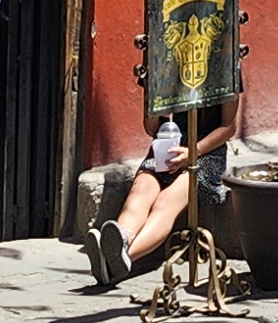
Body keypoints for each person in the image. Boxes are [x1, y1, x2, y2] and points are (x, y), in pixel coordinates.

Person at [84, 91, 240, 288]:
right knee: (141, 190)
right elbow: (152, 129)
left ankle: (120, 259)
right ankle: (122, 238)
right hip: (169, 142)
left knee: (166, 202)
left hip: (207, 153)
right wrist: (152, 98)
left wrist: (193, 152)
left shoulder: (226, 74)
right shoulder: (163, 72)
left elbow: (228, 127)